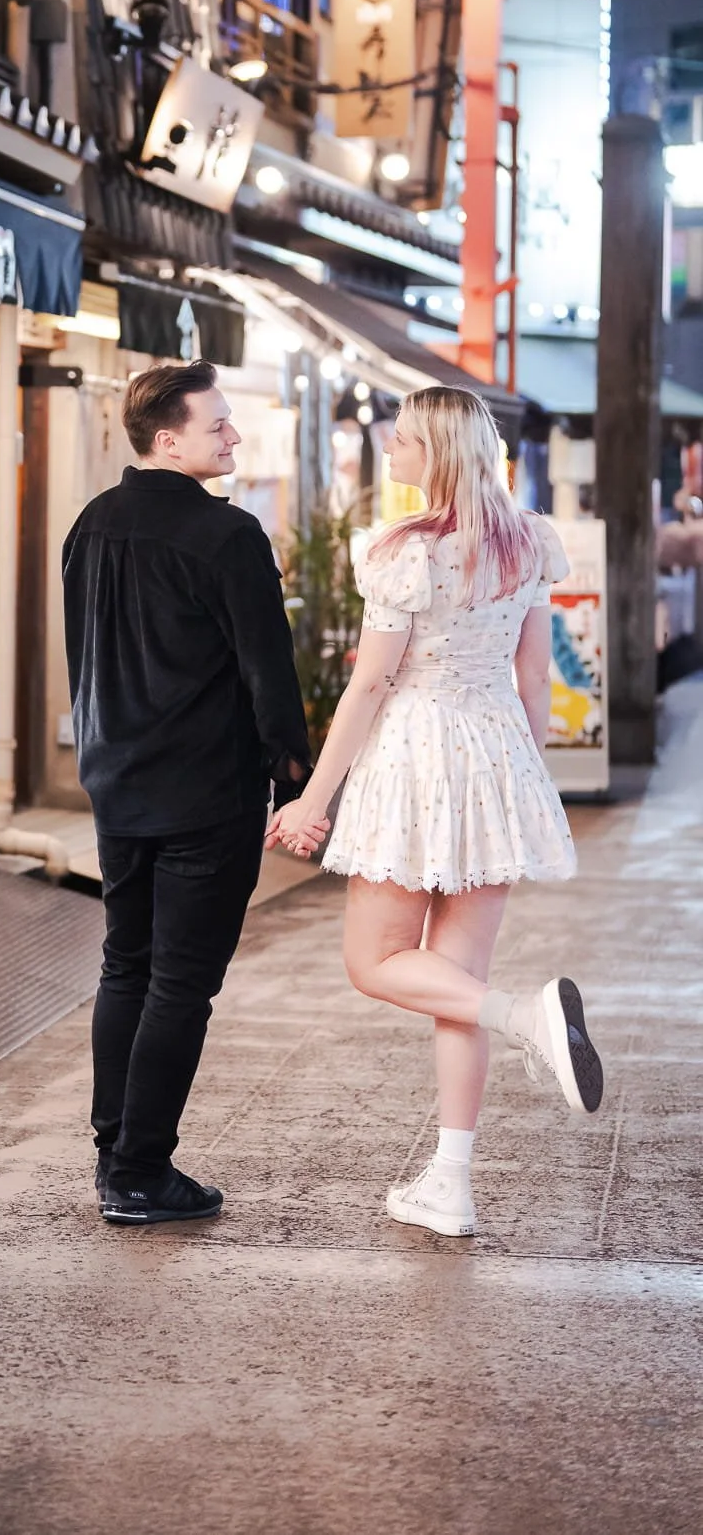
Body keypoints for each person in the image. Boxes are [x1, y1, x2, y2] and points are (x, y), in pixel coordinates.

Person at [268, 384, 602, 1240]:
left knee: (374, 961)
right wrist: (530, 784)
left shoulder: (401, 550)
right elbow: (535, 679)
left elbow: (373, 682)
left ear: (442, 453)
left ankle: (526, 1019)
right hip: (495, 755)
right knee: (457, 983)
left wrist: (315, 795)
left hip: (416, 755)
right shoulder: (531, 542)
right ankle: (450, 1183)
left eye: (407, 439)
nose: (392, 451)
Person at [63, 360, 312, 1225]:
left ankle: (113, 1153)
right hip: (206, 791)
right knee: (180, 983)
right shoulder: (227, 535)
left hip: (116, 782)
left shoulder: (91, 525)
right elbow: (268, 673)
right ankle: (139, 1172)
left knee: (125, 964)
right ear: (167, 438)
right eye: (218, 426)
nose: (233, 437)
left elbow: (83, 658)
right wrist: (295, 773)